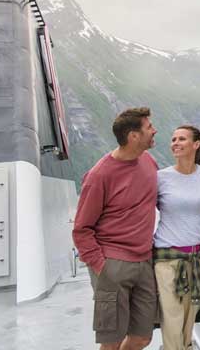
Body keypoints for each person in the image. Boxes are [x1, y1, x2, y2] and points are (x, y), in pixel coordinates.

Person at [73, 107, 159, 350]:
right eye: (149, 127)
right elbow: (81, 229)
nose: (154, 131)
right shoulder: (99, 175)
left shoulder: (148, 161)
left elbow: (158, 198)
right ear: (133, 136)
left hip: (144, 262)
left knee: (143, 337)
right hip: (112, 264)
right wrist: (103, 268)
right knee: (111, 342)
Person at [152, 125, 200, 350]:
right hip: (167, 259)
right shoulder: (161, 177)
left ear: (196, 144)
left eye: (181, 139)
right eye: (173, 139)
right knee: (172, 320)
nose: (175, 143)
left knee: (189, 320)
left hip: (197, 259)